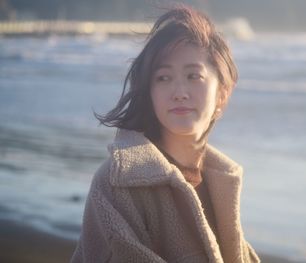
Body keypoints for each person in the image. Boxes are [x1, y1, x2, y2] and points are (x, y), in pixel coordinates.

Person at [71, 5, 260, 263]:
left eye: (194, 76)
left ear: (223, 93)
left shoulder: (222, 181)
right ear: (150, 93)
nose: (179, 91)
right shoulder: (116, 183)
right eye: (163, 78)